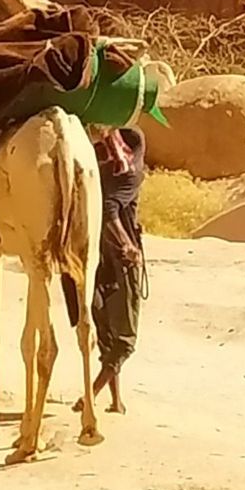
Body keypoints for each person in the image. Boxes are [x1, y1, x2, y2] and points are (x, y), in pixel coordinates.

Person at [88, 124, 147, 412]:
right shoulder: (130, 172)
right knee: (124, 340)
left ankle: (115, 400)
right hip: (120, 259)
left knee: (106, 333)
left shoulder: (96, 165)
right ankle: (92, 393)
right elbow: (110, 209)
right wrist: (126, 244)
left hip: (92, 257)